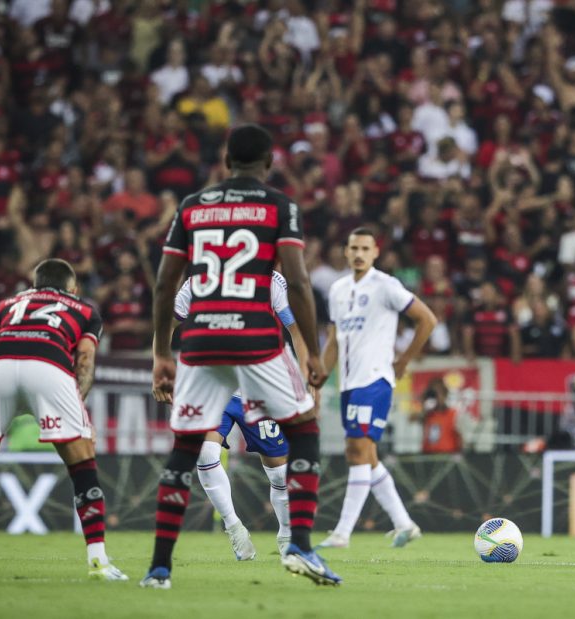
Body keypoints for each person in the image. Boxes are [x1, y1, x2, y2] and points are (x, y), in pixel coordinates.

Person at [143, 124, 339, 588]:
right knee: (305, 433)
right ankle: (301, 548)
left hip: (202, 344)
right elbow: (300, 282)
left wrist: (159, 355)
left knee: (184, 450)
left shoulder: (192, 207)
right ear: (269, 163)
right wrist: (311, 353)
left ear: (225, 160)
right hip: (255, 343)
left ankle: (158, 569)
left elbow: (164, 284)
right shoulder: (279, 206)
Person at [0, 259, 127, 581]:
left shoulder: (6, 304)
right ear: (72, 287)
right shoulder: (85, 309)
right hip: (47, 362)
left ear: (34, 284)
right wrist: (77, 410)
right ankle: (99, 561)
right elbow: (84, 359)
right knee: (81, 464)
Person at [172, 270, 308, 561]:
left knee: (279, 472)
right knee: (205, 454)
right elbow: (170, 322)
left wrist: (305, 374)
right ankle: (234, 528)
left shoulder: (271, 281)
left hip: (260, 385)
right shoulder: (198, 281)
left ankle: (286, 533)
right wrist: (161, 361)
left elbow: (295, 329)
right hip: (213, 383)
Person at [318, 227, 437, 549]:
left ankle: (342, 533)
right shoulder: (338, 289)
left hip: (374, 379)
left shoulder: (386, 286)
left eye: (364, 248)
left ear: (375, 253)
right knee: (364, 453)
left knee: (357, 450)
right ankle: (404, 523)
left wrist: (403, 362)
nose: (358, 253)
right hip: (348, 382)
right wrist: (319, 377)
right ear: (345, 251)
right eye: (353, 247)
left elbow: (427, 319)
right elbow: (333, 340)